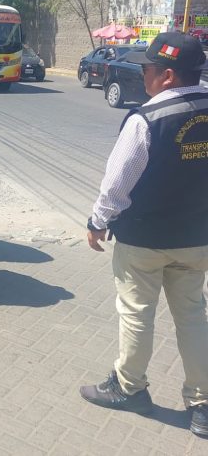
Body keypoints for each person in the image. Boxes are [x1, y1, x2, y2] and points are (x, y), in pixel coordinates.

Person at [80, 32, 208, 439]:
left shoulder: (146, 119)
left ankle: (129, 388)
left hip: (144, 241)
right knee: (192, 315)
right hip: (197, 239)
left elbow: (117, 185)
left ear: (168, 75)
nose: (144, 76)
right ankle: (203, 405)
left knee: (137, 313)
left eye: (148, 69)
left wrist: (97, 221)